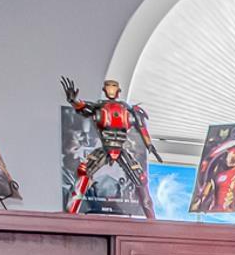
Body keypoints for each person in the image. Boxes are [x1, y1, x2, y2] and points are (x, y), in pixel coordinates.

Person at [63, 77, 163, 216]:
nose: (111, 89)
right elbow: (83, 107)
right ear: (105, 90)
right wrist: (73, 101)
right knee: (84, 172)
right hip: (105, 148)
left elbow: (141, 127)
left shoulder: (129, 110)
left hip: (120, 149)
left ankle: (151, 218)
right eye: (109, 87)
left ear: (118, 90)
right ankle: (70, 213)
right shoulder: (99, 107)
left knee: (140, 178)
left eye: (114, 86)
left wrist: (150, 145)